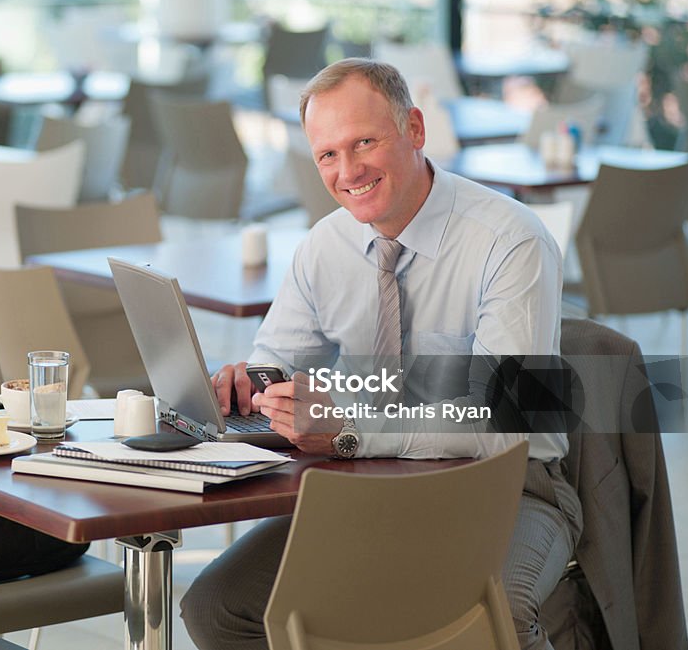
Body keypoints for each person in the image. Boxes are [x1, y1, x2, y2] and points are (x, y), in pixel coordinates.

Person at [180, 58, 582, 650]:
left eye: (365, 142)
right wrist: (255, 385)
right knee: (219, 606)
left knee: (497, 612)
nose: (349, 171)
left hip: (510, 487)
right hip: (365, 488)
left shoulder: (510, 239)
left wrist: (349, 431)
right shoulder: (325, 246)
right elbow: (280, 359)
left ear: (415, 129)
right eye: (328, 155)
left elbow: (505, 423)